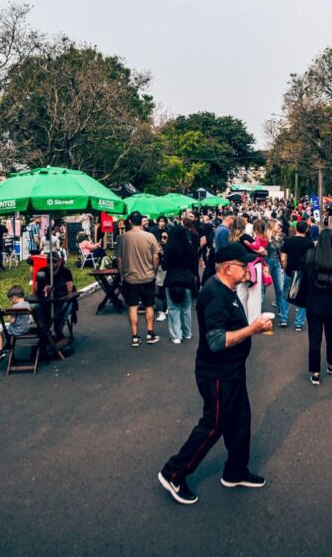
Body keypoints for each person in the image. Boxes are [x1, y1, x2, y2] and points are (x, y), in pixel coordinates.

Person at [157, 243, 273, 505]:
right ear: (228, 268)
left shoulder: (227, 288)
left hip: (233, 370)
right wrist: (252, 329)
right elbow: (216, 341)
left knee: (240, 419)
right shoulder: (215, 294)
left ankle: (236, 471)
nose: (248, 269)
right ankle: (173, 473)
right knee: (213, 425)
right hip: (218, 374)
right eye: (243, 265)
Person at [301, 231, 332, 386]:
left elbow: (304, 280)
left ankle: (315, 372)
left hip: (313, 303)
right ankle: (331, 364)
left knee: (314, 338)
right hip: (331, 306)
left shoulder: (309, 256)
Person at [117, 212, 161, 347]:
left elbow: (119, 260)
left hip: (130, 278)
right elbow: (156, 257)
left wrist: (121, 275)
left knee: (132, 307)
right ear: (141, 221)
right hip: (147, 277)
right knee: (149, 306)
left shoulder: (122, 238)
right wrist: (154, 271)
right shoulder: (150, 236)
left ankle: (135, 337)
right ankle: (150, 334)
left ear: (130, 221)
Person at [162, 225, 199, 344]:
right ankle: (187, 333)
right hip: (186, 280)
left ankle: (176, 335)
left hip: (171, 280)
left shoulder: (169, 247)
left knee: (173, 308)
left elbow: (164, 266)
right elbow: (194, 265)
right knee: (186, 308)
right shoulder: (188, 246)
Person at [278, 220, 314, 332]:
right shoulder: (310, 243)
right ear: (306, 229)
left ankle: (283, 319)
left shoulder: (288, 241)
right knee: (303, 297)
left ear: (296, 228)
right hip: (304, 273)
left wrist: (285, 268)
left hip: (289, 271)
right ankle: (299, 323)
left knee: (285, 295)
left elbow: (283, 258)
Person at [0, 285, 32, 364]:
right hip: (26, 328)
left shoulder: (15, 307)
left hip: (16, 330)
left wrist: (8, 316)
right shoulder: (27, 304)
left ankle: (1, 352)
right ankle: (7, 345)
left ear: (14, 297)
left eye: (11, 299)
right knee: (8, 331)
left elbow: (13, 321)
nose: (11, 301)